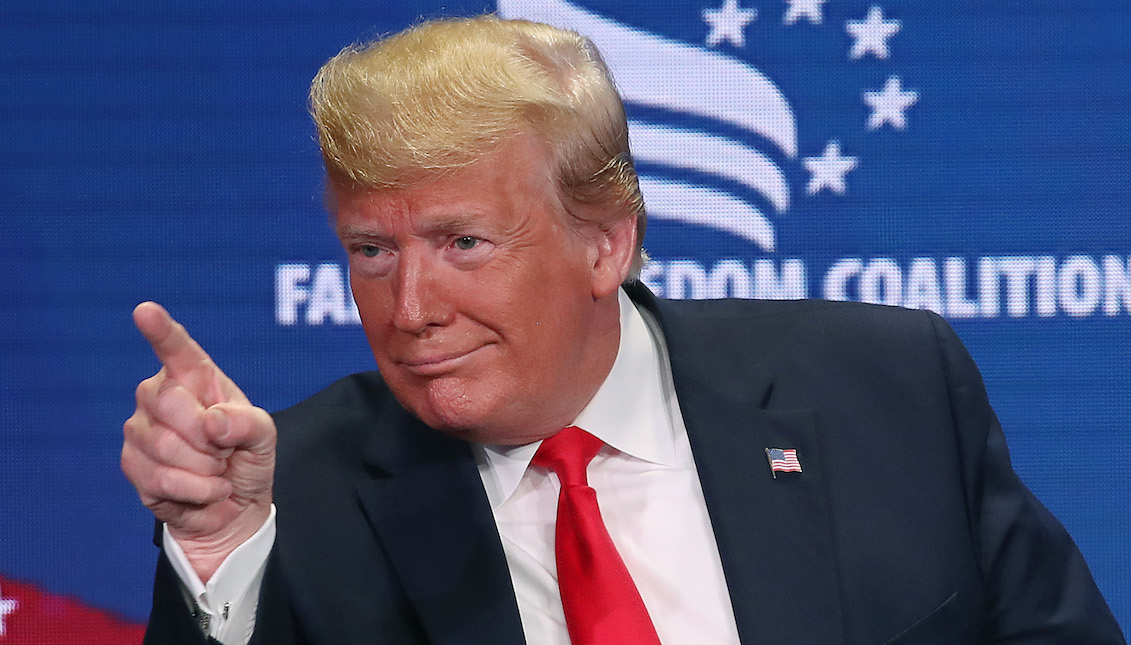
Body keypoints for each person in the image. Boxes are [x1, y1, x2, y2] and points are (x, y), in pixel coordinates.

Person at [122, 15, 1125, 645]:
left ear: (605, 245)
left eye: (462, 242)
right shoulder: (294, 490)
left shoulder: (887, 390)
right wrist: (217, 545)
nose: (410, 307)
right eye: (371, 252)